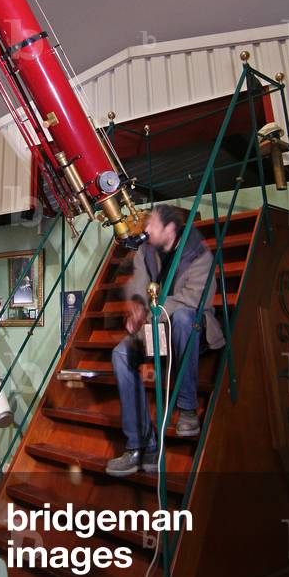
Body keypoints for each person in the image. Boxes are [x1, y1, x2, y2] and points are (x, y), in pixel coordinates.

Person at [106, 204, 225, 477]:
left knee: (183, 317)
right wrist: (136, 305)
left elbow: (195, 298)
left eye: (152, 225)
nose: (145, 230)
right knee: (121, 354)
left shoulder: (200, 255)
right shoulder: (145, 251)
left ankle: (187, 409)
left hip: (193, 328)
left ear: (170, 229)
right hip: (155, 327)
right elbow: (138, 284)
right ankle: (141, 445)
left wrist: (147, 314)